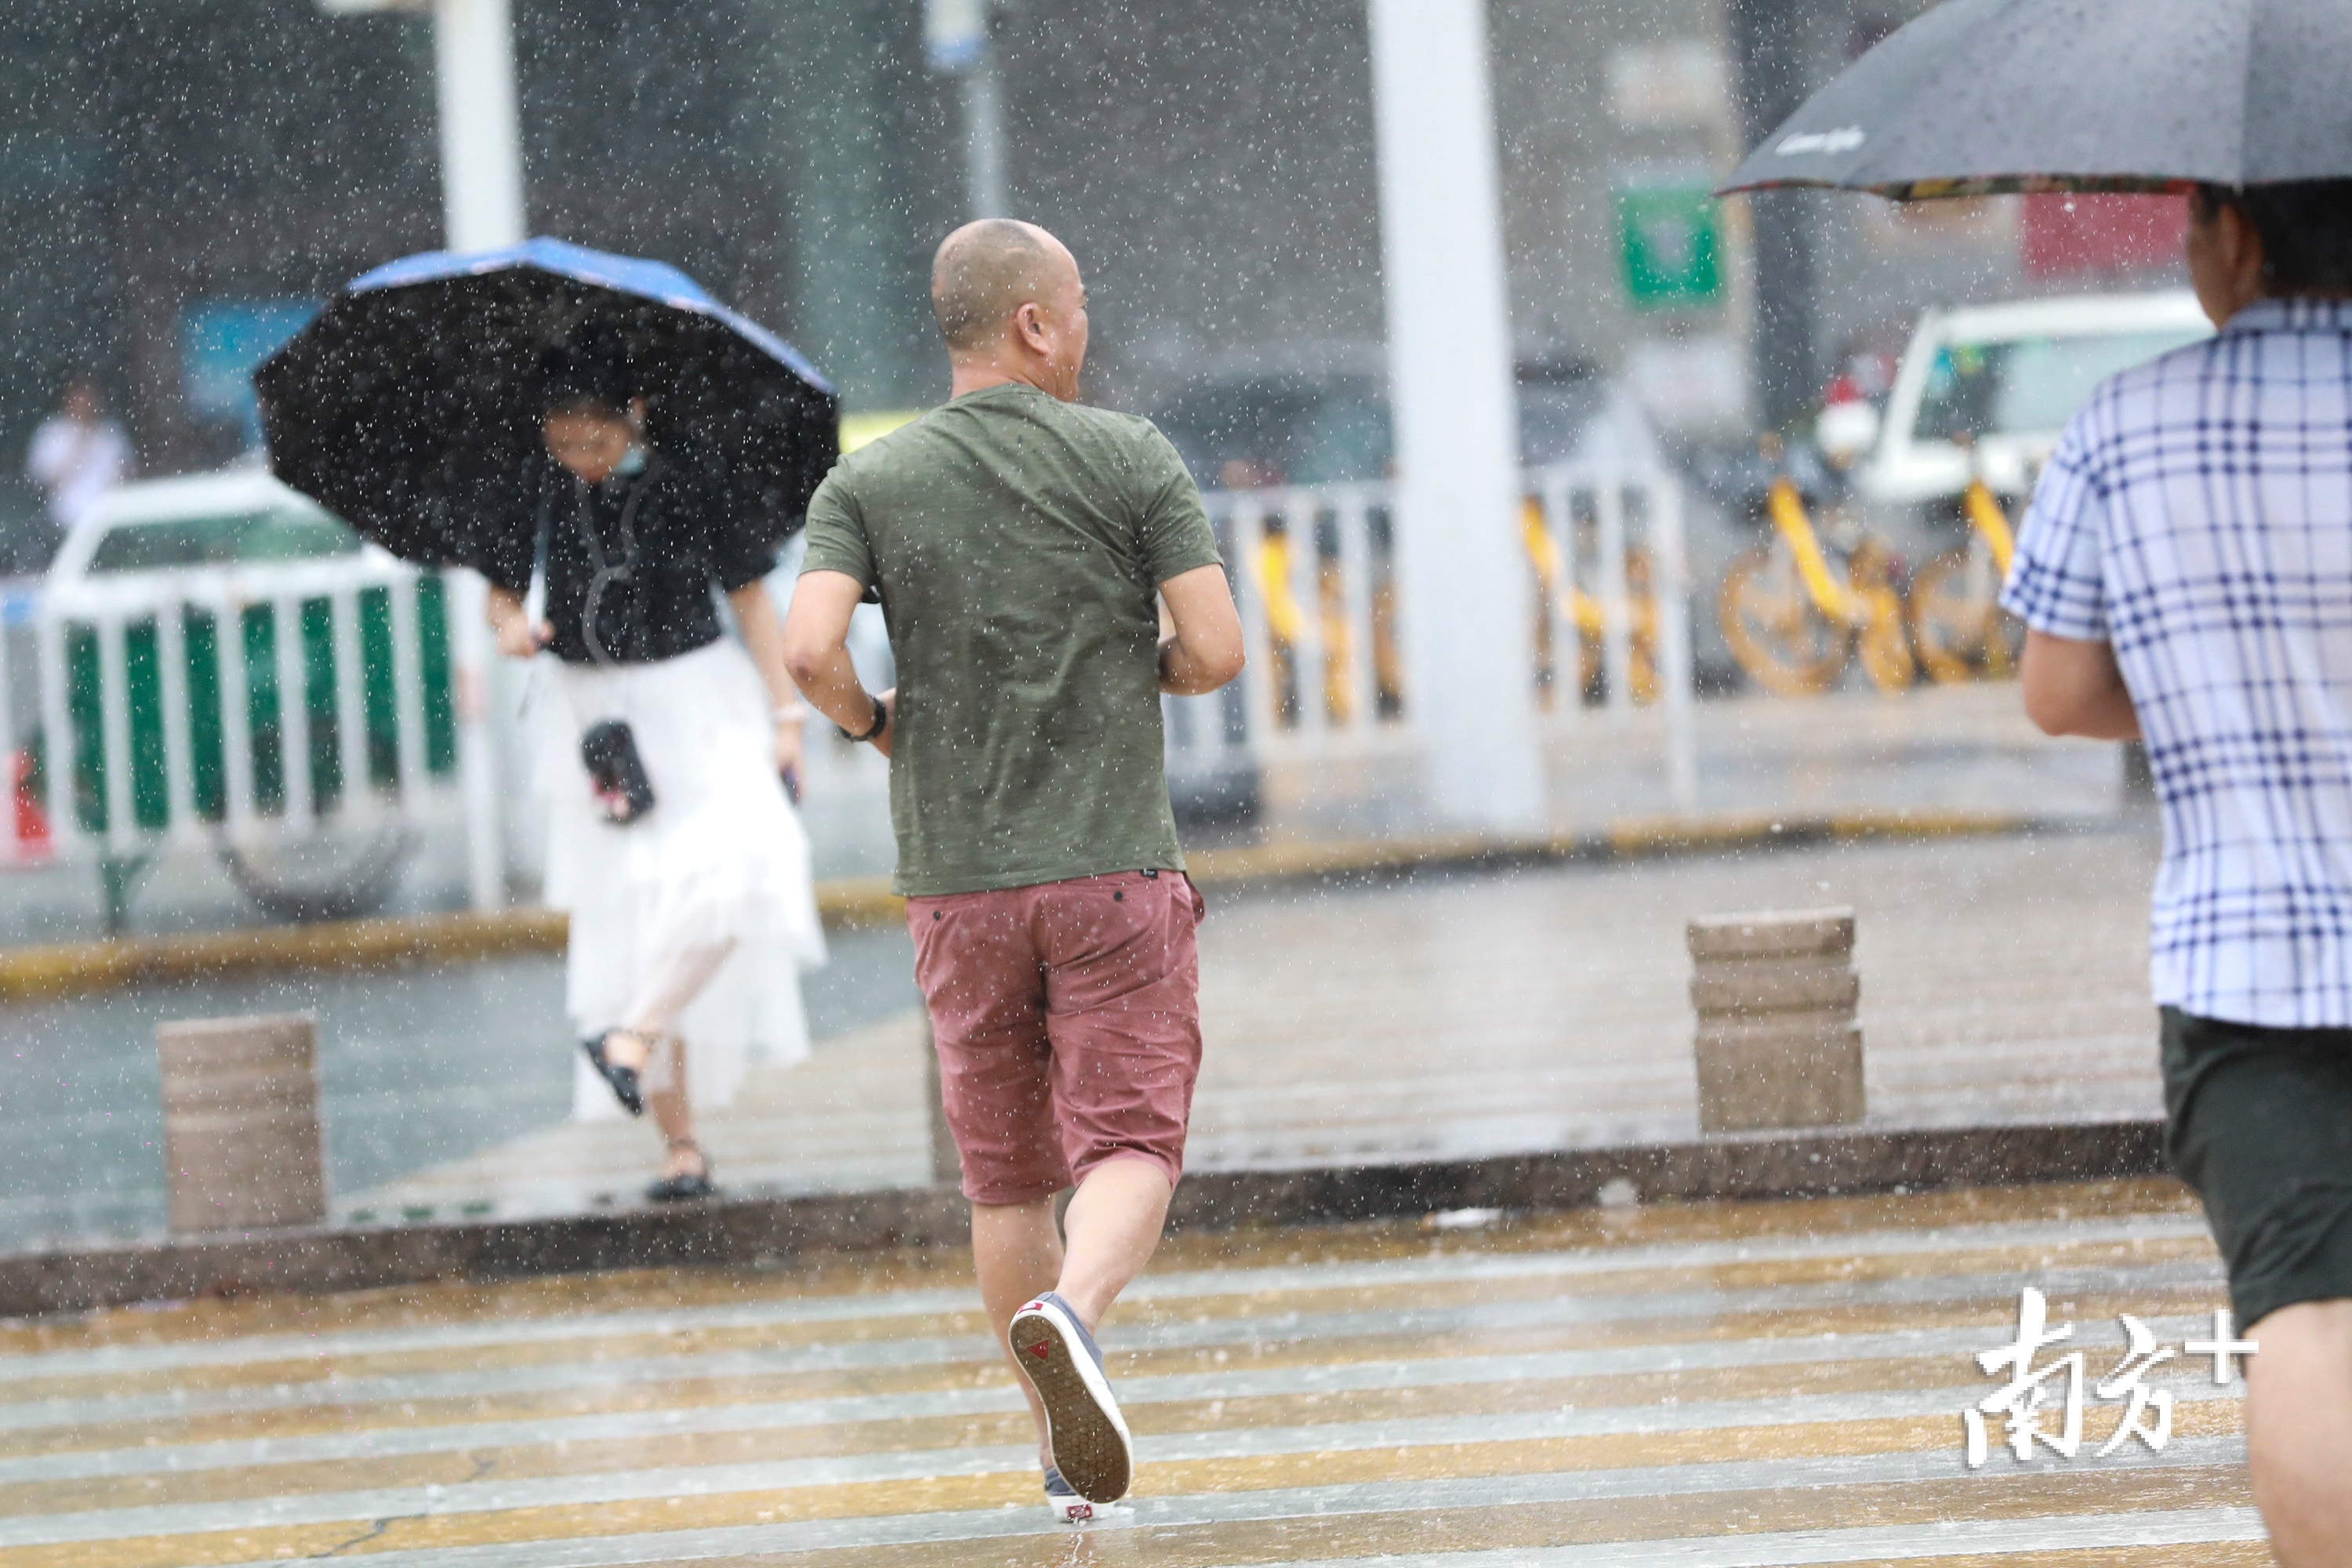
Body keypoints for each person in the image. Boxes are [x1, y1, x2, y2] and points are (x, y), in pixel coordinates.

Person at [782, 219, 1245, 1520]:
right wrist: (1127, 671)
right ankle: (1078, 1313)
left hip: (957, 884)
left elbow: (811, 649)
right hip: (1108, 869)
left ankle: (1059, 1452)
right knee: (1133, 1139)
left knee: (1005, 1180)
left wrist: (882, 725)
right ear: (1036, 325)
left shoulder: (869, 483)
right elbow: (1213, 649)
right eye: (1079, 305)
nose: (1086, 328)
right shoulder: (1128, 457)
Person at [2005, 178, 2352, 1568]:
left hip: (2249, 971)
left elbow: (2057, 692)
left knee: (2309, 1315)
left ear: (2243, 238)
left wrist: (2222, 687)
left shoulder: (2124, 425)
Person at [484, 343, 826, 1203]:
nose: (581, 461)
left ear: (632, 410)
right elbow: (498, 586)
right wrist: (511, 626)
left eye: (592, 442)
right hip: (590, 715)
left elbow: (752, 599)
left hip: (698, 699)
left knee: (751, 864)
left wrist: (788, 719)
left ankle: (628, 1038)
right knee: (632, 918)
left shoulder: (692, 475)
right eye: (563, 445)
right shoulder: (538, 481)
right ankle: (680, 1146)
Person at [25, 379, 132, 557]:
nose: (84, 405)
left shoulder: (111, 433)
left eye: (89, 399)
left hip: (107, 523)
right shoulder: (52, 433)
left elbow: (126, 474)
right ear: (68, 401)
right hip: (63, 525)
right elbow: (45, 480)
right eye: (79, 399)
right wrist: (79, 445)